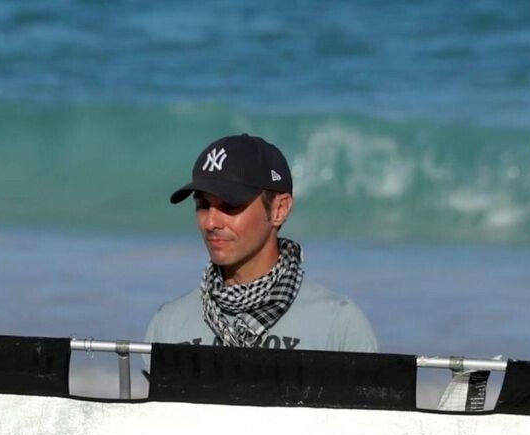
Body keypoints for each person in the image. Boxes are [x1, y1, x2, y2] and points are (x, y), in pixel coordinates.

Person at [144, 133, 379, 352]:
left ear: (279, 209)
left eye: (230, 205)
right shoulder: (168, 325)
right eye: (203, 205)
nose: (211, 222)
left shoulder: (338, 326)